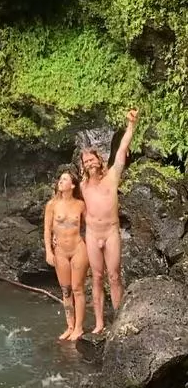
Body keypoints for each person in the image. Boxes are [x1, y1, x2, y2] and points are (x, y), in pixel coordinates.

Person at [80, 108, 139, 334]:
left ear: (99, 159)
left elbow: (123, 148)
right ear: (83, 166)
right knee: (96, 277)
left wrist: (131, 125)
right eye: (85, 161)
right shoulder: (83, 186)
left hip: (111, 232)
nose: (89, 163)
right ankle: (98, 323)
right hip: (93, 235)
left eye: (91, 159)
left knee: (114, 276)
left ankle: (118, 318)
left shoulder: (113, 176)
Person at [44, 169, 88, 341]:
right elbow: (47, 230)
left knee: (77, 288)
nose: (60, 182)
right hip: (60, 251)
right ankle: (70, 326)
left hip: (78, 248)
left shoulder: (80, 204)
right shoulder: (52, 205)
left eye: (64, 179)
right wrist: (48, 250)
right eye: (60, 179)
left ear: (73, 185)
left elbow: (90, 225)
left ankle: (79, 328)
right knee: (66, 290)